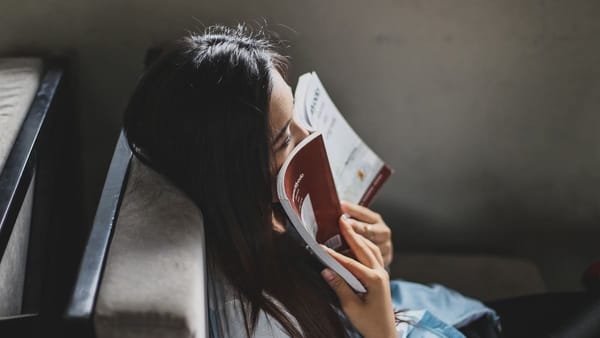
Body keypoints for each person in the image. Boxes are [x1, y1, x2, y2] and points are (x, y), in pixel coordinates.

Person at [122, 25, 597, 338]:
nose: (312, 141)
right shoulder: (258, 319)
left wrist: (373, 265)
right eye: (286, 138)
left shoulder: (259, 225)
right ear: (234, 172)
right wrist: (384, 329)